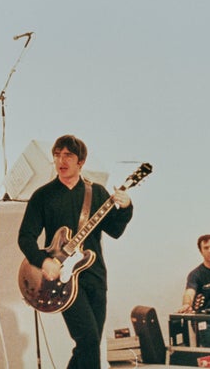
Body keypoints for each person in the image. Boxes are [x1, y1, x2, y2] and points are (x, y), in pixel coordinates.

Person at [17, 135, 133, 369]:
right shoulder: (43, 196)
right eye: (57, 155)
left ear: (81, 161)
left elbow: (115, 230)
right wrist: (44, 261)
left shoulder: (97, 192)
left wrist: (126, 207)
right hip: (63, 280)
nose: (61, 160)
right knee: (88, 340)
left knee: (89, 344)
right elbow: (25, 237)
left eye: (68, 155)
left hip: (95, 276)